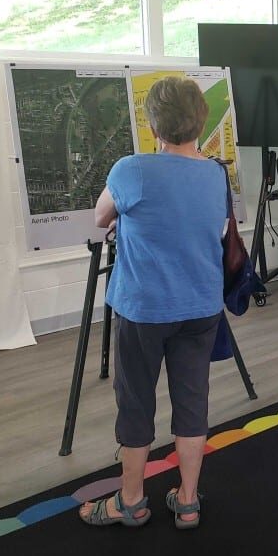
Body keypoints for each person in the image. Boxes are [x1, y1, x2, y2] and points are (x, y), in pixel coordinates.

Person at [78, 76, 226, 530]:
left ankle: (131, 501)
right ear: (201, 120)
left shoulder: (132, 170)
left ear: (153, 124)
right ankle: (186, 500)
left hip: (144, 310)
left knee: (137, 402)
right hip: (202, 306)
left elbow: (101, 216)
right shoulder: (216, 172)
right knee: (192, 401)